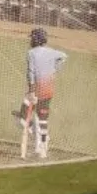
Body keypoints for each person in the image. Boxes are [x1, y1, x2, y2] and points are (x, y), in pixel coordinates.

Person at [18, 27, 66, 159]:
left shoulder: (31, 53)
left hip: (36, 90)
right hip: (48, 89)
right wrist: (55, 70)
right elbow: (64, 57)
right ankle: (42, 143)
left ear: (36, 40)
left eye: (32, 38)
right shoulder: (52, 52)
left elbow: (31, 73)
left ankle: (40, 140)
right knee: (42, 119)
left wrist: (32, 92)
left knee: (22, 117)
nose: (30, 41)